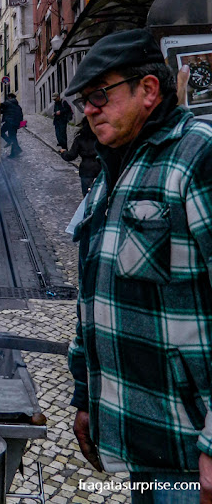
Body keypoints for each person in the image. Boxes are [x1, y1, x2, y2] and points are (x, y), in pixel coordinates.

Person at [66, 28, 212, 503]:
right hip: (138, 440)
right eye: (84, 99)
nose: (88, 109)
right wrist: (86, 398)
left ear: (148, 90)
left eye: (99, 95)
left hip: (190, 451)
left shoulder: (198, 157)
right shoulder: (114, 168)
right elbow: (93, 294)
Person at [60, 116, 101, 196]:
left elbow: (71, 155)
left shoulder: (80, 139)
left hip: (86, 170)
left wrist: (63, 153)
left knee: (87, 196)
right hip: (100, 168)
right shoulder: (100, 137)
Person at [0, 92, 24, 158]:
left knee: (1, 132)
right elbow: (21, 115)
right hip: (16, 123)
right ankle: (16, 151)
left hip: (9, 122)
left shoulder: (8, 102)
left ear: (9, 97)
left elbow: (0, 106)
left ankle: (9, 141)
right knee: (13, 137)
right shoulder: (18, 106)